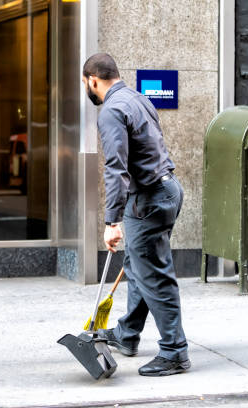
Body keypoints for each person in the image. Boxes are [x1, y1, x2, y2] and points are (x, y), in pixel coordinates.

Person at [82, 53, 190, 376]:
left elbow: (116, 168)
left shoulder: (111, 111)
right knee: (139, 266)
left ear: (93, 80)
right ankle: (127, 333)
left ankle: (175, 351)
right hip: (168, 190)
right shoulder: (138, 99)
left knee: (154, 275)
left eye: (85, 83)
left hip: (148, 200)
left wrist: (112, 221)